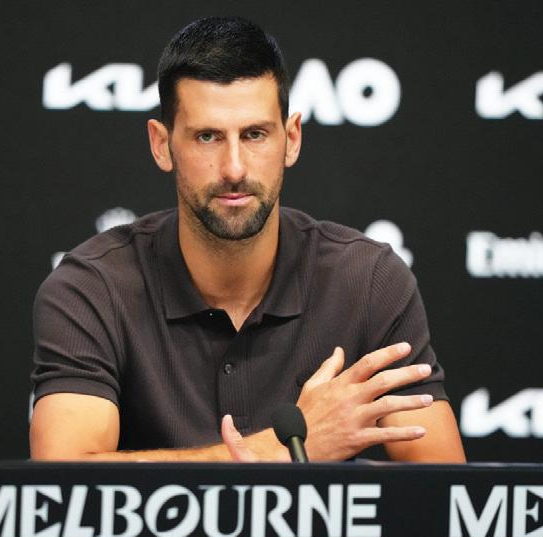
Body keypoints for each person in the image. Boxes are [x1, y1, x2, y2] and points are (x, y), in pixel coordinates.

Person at [30, 16, 465, 463]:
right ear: (162, 145)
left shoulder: (369, 280)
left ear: (291, 139)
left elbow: (445, 490)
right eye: (207, 137)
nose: (234, 168)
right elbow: (62, 478)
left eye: (255, 134)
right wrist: (286, 448)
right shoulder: (92, 287)